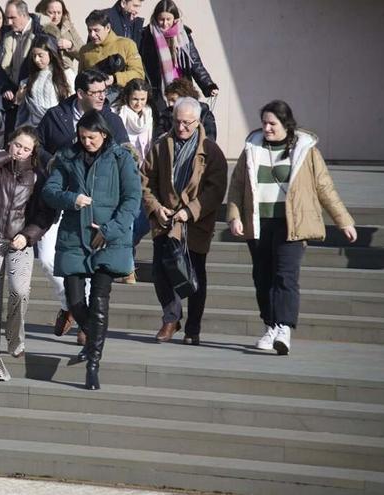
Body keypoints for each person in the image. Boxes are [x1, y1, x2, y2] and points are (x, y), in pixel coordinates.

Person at [227, 100, 357, 355]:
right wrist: (234, 216)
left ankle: (284, 328)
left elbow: (324, 187)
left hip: (292, 223)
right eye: (264, 122)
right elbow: (237, 185)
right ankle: (270, 325)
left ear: (286, 124)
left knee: (285, 276)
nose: (267, 128)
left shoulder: (306, 150)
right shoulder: (252, 147)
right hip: (259, 222)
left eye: (272, 123)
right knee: (262, 276)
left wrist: (344, 220)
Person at [42, 110, 141, 390]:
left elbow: (132, 199)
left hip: (109, 238)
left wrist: (109, 230)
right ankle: (91, 337)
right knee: (74, 300)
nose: (87, 142)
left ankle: (93, 363)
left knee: (99, 300)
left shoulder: (121, 158)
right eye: (83, 137)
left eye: (92, 137)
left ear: (104, 134)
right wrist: (72, 199)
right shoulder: (67, 157)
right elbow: (50, 191)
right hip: (75, 235)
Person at [140, 97, 227, 346]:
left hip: (194, 223)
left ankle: (193, 327)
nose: (181, 128)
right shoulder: (161, 145)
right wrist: (156, 208)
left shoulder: (211, 151)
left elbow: (215, 189)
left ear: (198, 122)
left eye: (187, 124)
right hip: (164, 219)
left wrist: (190, 211)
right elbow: (145, 180)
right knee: (160, 272)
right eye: (177, 122)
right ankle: (171, 318)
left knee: (194, 274)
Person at [0, 126, 54, 382]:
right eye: (17, 145)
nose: (20, 151)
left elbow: (45, 214)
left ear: (33, 152)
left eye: (26, 148)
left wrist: (27, 235)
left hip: (20, 243)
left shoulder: (37, 175)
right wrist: (4, 156)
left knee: (20, 291)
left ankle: (14, 337)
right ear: (10, 143)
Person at [0, 0, 60, 141]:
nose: (8, 22)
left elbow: (55, 60)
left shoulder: (42, 31)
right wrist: (4, 87)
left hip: (33, 100)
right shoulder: (7, 32)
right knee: (11, 143)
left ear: (24, 15)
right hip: (13, 99)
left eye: (12, 18)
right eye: (7, 18)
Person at [35, 69, 128, 165]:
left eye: (104, 91)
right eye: (96, 92)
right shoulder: (55, 116)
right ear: (80, 94)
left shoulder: (112, 120)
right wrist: (50, 162)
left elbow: (125, 157)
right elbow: (35, 144)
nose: (102, 97)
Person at [139, 0, 217, 111]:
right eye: (161, 19)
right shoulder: (146, 36)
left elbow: (195, 63)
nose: (165, 23)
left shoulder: (184, 35)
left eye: (168, 19)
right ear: (156, 18)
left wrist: (208, 85)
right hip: (158, 91)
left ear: (174, 18)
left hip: (181, 88)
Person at [113, 78, 152, 284]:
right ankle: (127, 267)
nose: (138, 103)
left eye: (142, 99)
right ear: (127, 97)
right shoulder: (118, 115)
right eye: (135, 99)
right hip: (123, 173)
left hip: (145, 173)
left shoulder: (150, 116)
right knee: (127, 219)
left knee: (142, 221)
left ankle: (127, 252)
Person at [78, 9, 144, 104]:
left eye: (96, 30)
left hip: (122, 101)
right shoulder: (85, 51)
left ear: (108, 28)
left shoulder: (126, 45)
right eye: (89, 30)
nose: (92, 35)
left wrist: (114, 79)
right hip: (94, 103)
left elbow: (139, 74)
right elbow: (81, 80)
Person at [15, 33, 73, 128]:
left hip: (57, 126)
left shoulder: (66, 74)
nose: (36, 60)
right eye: (34, 56)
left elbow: (72, 103)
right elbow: (22, 104)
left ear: (51, 53)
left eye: (40, 55)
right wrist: (20, 97)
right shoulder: (31, 77)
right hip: (34, 128)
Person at [154, 77, 216, 141]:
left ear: (185, 98)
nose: (170, 104)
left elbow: (210, 138)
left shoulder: (204, 113)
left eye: (173, 100)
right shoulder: (166, 114)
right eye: (169, 100)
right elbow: (158, 136)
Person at [34, 0, 83, 70]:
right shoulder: (36, 28)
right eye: (51, 13)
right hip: (44, 72)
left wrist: (70, 46)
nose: (56, 17)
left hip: (66, 72)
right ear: (43, 12)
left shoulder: (68, 27)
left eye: (59, 12)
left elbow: (84, 54)